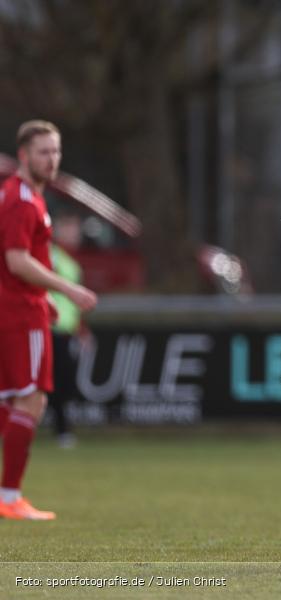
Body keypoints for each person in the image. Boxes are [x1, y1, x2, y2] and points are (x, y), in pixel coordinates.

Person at [0, 120, 97, 520]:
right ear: (24, 155)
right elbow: (16, 260)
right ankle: (9, 497)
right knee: (33, 398)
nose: (52, 159)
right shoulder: (22, 200)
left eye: (55, 151)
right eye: (43, 152)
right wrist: (66, 289)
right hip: (21, 313)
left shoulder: (24, 197)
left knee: (12, 400)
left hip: (21, 306)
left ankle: (8, 495)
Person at [48, 214, 87, 449]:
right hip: (49, 327)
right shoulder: (50, 256)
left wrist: (81, 329)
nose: (75, 234)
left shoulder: (71, 261)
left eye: (76, 229)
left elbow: (72, 302)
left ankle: (60, 428)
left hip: (66, 330)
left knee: (64, 381)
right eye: (70, 228)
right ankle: (61, 430)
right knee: (54, 381)